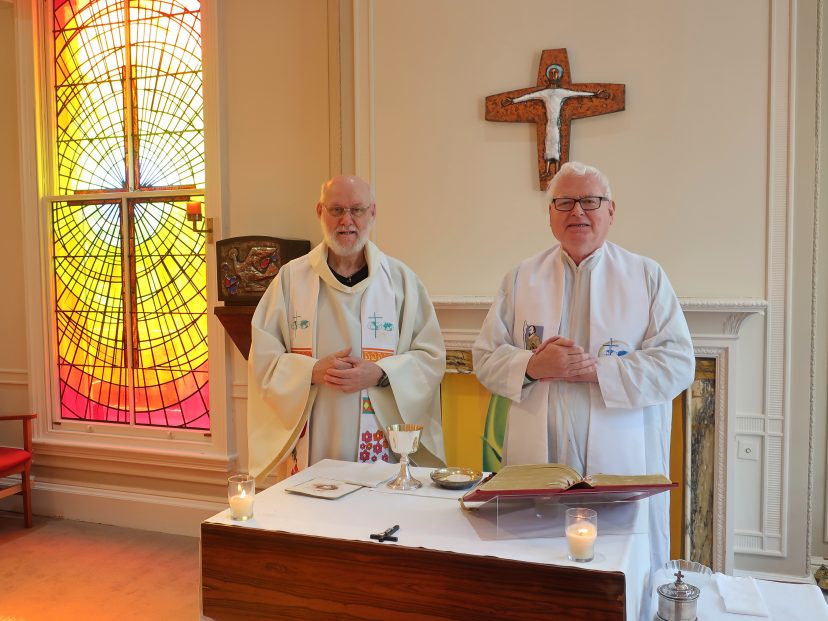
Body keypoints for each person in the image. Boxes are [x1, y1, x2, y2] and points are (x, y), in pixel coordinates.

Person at [472, 161, 695, 571]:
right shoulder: (521, 278)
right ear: (550, 214)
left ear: (611, 211)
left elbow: (678, 364)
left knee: (614, 578)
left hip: (619, 471)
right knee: (535, 572)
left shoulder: (646, 276)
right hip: (538, 474)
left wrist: (598, 371)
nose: (577, 211)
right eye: (565, 202)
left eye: (590, 201)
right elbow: (485, 358)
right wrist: (534, 365)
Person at [247, 175, 446, 483]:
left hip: (381, 444)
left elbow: (430, 358)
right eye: (336, 210)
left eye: (357, 210)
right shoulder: (291, 279)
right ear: (320, 212)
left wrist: (380, 373)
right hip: (315, 437)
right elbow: (263, 359)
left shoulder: (400, 281)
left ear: (372, 212)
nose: (347, 220)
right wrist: (310, 371)